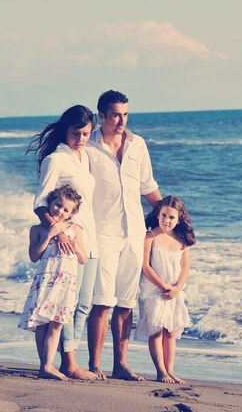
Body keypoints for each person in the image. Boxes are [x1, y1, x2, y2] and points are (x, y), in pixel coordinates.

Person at [86, 90, 162, 381]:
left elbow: (148, 186)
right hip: (102, 234)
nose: (121, 121)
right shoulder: (88, 147)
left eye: (125, 114)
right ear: (101, 116)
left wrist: (174, 215)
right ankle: (94, 365)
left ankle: (121, 364)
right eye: (115, 114)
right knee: (102, 302)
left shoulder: (138, 145)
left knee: (126, 304)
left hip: (134, 235)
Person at [26, 105, 100, 380]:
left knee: (84, 304)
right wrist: (58, 232)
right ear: (65, 129)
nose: (80, 138)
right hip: (65, 242)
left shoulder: (84, 157)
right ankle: (68, 362)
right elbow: (40, 203)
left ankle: (70, 358)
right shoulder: (56, 159)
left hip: (87, 237)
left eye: (86, 133)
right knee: (66, 304)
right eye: (76, 133)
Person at [18, 185, 88, 381]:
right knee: (42, 322)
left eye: (66, 209)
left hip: (65, 283)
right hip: (47, 280)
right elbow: (34, 256)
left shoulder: (75, 229)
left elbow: (83, 258)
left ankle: (48, 365)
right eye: (58, 205)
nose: (60, 211)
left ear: (71, 214)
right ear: (50, 203)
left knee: (57, 323)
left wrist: (75, 246)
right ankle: (45, 366)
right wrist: (49, 234)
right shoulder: (37, 229)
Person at [135, 196, 196, 383]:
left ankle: (170, 371)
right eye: (163, 216)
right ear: (158, 215)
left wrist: (176, 289)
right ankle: (160, 371)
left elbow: (185, 268)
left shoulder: (182, 241)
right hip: (154, 290)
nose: (166, 221)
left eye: (171, 217)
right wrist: (163, 285)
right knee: (157, 329)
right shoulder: (150, 236)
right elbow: (145, 266)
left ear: (179, 219)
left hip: (173, 292)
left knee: (170, 331)